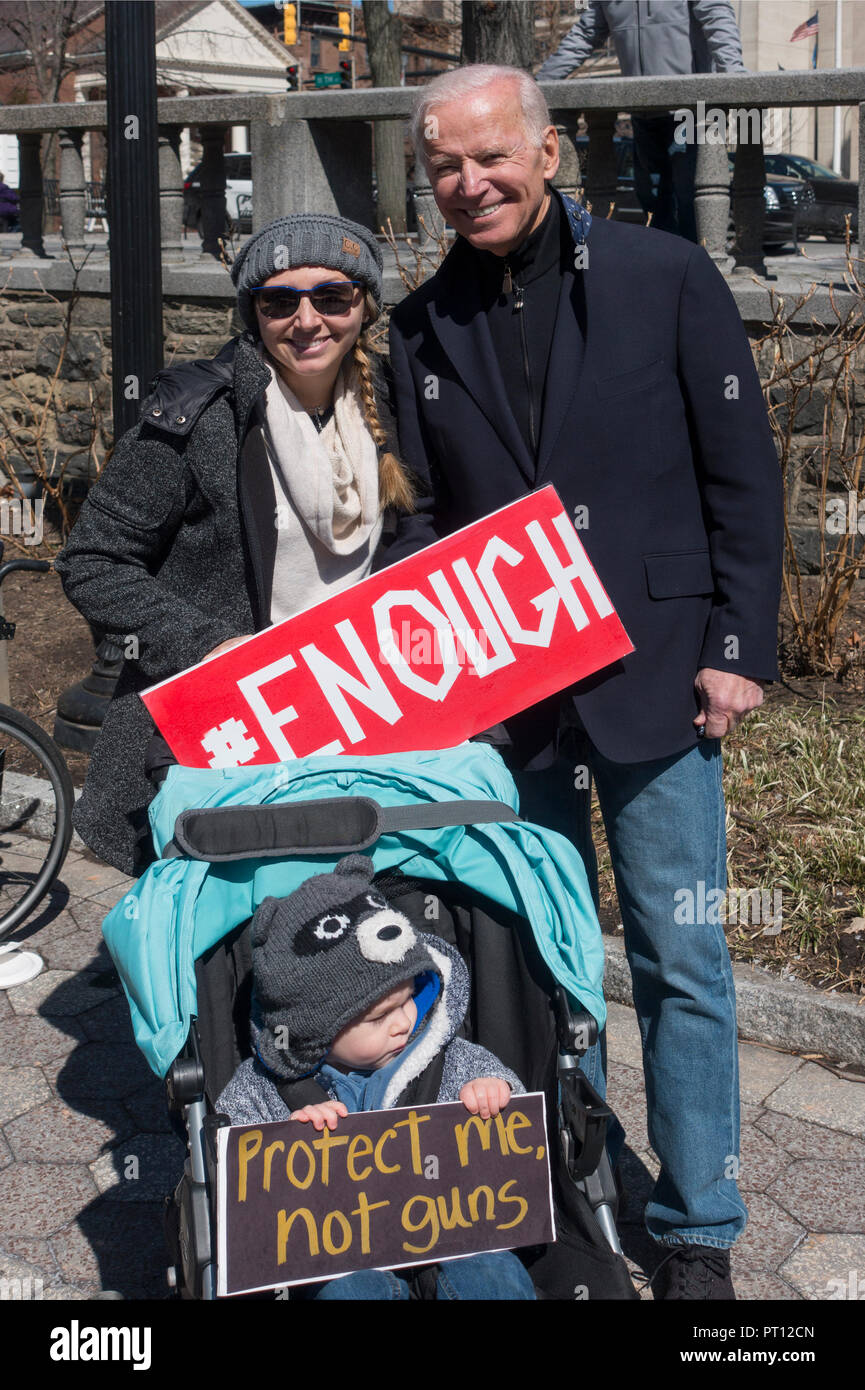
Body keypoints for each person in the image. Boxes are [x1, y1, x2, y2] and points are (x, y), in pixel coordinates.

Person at [383, 65, 783, 1299]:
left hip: (661, 674)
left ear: (548, 153)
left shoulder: (667, 278)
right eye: (445, 166)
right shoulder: (416, 326)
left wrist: (737, 647)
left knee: (682, 957)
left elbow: (742, 472)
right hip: (513, 699)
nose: (469, 183)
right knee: (543, 960)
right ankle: (570, 1190)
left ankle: (697, 1223)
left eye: (491, 157)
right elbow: (427, 526)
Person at [55, 214, 414, 877]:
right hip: (227, 730)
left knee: (344, 939)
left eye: (331, 296)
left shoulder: (397, 406)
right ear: (254, 313)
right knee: (231, 939)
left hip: (361, 718)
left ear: (364, 305)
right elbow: (93, 559)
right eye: (280, 301)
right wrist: (209, 647)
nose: (306, 320)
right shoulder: (199, 418)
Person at [215, 853, 537, 1301]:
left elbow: (513, 1113)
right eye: (379, 1018)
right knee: (348, 1293)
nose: (403, 1022)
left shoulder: (444, 1055)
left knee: (495, 1278)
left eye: (408, 999)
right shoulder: (267, 1086)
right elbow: (229, 1144)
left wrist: (493, 1093)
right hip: (338, 1251)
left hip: (449, 1232)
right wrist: (285, 1137)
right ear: (317, 1032)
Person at [536, 0, 746, 241]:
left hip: (691, 113)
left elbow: (717, 18)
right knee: (652, 200)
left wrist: (734, 74)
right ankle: (666, 269)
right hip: (643, 113)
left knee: (688, 201)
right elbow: (585, 34)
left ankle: (698, 268)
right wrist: (540, 82)